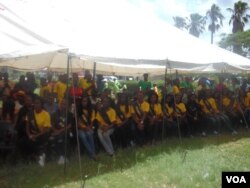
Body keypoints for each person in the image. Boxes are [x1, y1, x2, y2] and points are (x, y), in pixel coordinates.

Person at [23, 96, 51, 166]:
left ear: (41, 105)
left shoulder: (46, 114)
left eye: (38, 103)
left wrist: (35, 136)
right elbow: (27, 127)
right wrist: (29, 135)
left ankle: (40, 157)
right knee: (22, 142)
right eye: (35, 103)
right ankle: (34, 157)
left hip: (42, 134)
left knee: (37, 141)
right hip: (32, 134)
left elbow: (46, 129)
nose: (36, 105)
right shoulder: (30, 113)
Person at [50, 98, 73, 164]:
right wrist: (55, 131)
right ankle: (61, 156)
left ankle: (64, 156)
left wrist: (59, 131)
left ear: (67, 106)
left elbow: (69, 126)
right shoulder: (54, 114)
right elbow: (52, 124)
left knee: (61, 137)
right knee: (52, 139)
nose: (63, 105)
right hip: (56, 131)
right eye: (62, 104)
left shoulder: (69, 114)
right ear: (59, 104)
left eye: (65, 104)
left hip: (67, 131)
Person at [77, 95, 97, 160]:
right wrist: (84, 128)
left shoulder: (91, 110)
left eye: (85, 101)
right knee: (83, 136)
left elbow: (92, 120)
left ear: (88, 102)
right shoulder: (78, 110)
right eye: (83, 101)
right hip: (80, 128)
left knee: (89, 134)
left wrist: (89, 127)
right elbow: (77, 123)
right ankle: (92, 154)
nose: (84, 102)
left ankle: (93, 154)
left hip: (89, 127)